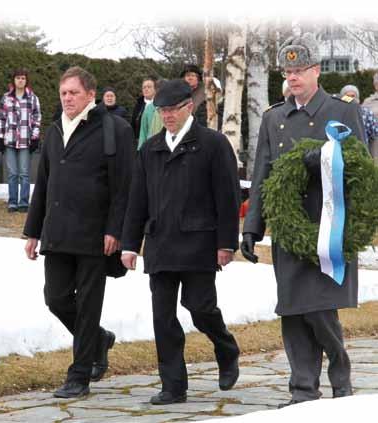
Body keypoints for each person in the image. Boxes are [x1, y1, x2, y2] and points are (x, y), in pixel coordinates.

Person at [241, 33, 366, 408]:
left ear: (316, 71)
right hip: (289, 230)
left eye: (299, 70)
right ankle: (303, 390)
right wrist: (252, 228)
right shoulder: (274, 118)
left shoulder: (342, 111)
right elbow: (262, 173)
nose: (293, 77)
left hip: (329, 227)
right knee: (293, 309)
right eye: (288, 71)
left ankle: (340, 376)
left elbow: (359, 169)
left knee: (318, 307)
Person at [121, 79, 241, 405]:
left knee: (200, 309)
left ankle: (226, 347)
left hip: (199, 243)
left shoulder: (213, 144)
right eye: (162, 110)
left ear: (189, 106)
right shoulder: (150, 148)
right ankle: (173, 385)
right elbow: (137, 200)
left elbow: (228, 198)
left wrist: (227, 243)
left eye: (172, 109)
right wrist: (130, 244)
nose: (167, 116)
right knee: (163, 317)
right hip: (160, 243)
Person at [23, 66, 134, 399]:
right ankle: (98, 340)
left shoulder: (115, 129)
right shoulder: (55, 130)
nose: (67, 98)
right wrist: (32, 231)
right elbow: (43, 182)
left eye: (73, 92)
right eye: (63, 93)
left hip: (94, 234)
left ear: (90, 94)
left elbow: (124, 187)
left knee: (87, 306)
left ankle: (79, 375)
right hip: (57, 232)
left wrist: (116, 230)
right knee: (55, 298)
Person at [0, 68, 41, 213]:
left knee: (24, 174)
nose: (20, 80)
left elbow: (37, 119)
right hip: (9, 140)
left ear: (26, 81)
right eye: (18, 78)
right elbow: (1, 119)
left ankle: (24, 202)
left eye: (23, 78)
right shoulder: (6, 98)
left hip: (25, 141)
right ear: (13, 80)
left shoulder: (33, 98)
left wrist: (35, 137)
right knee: (12, 173)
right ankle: (13, 202)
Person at [340, 84, 376, 148]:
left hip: (363, 151)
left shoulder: (367, 113)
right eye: (347, 96)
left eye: (353, 96)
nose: (350, 98)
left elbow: (374, 135)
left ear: (357, 98)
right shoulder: (337, 113)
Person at [138, 79, 166, 149]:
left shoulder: (174, 107)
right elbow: (143, 132)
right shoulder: (148, 109)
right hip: (151, 146)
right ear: (155, 90)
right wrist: (140, 150)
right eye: (158, 90)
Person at [131, 77, 156, 143]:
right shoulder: (138, 104)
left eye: (149, 87)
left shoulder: (159, 104)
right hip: (139, 142)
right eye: (144, 87)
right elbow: (133, 124)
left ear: (155, 89)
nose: (146, 89)